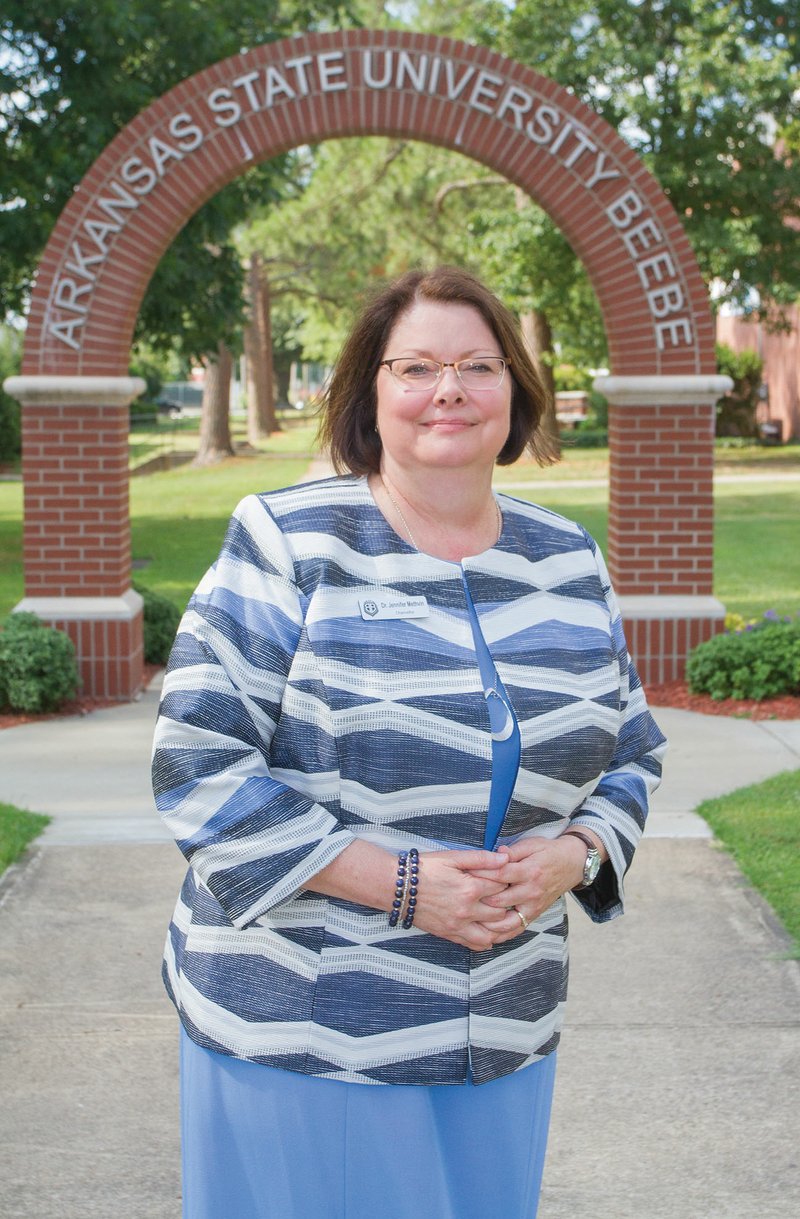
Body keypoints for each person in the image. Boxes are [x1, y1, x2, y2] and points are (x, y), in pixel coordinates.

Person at [152, 265, 667, 1219]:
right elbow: (198, 760)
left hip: (505, 1023)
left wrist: (575, 852)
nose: (449, 390)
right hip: (306, 1028)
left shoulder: (567, 561)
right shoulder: (288, 542)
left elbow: (632, 751)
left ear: (515, 390)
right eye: (416, 365)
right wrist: (399, 883)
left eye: (479, 364)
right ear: (370, 392)